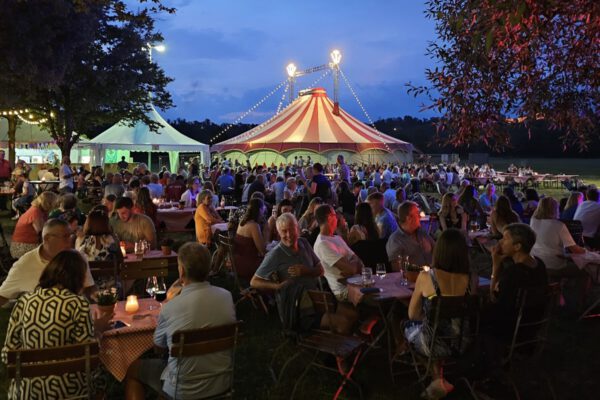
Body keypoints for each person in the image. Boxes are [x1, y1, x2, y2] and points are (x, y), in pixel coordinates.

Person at [125, 242, 236, 399]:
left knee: (132, 369)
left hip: (182, 390)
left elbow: (159, 347)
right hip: (221, 383)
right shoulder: (226, 297)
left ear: (181, 270)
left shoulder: (171, 307)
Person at [2, 250, 111, 399]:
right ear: (78, 277)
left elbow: (7, 353)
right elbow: (88, 355)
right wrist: (98, 330)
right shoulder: (78, 304)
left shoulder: (24, 301)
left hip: (26, 391)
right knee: (103, 376)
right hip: (68, 390)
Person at [251, 213, 356, 335]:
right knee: (343, 322)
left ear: (297, 229)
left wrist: (306, 271)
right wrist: (278, 286)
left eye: (291, 230)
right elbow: (254, 281)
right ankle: (337, 352)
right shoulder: (276, 254)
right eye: (284, 231)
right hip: (301, 312)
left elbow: (320, 270)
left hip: (319, 301)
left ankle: (344, 347)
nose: (289, 235)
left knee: (353, 314)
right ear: (278, 233)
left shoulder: (303, 243)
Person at [404, 229, 473, 399]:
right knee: (438, 328)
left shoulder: (427, 277)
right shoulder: (472, 279)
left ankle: (435, 378)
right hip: (462, 341)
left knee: (408, 325)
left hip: (431, 342)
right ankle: (439, 378)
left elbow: (412, 314)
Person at [0, 219, 96, 307]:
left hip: (75, 318)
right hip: (41, 322)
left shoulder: (77, 257)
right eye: (65, 236)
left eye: (71, 235)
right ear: (47, 238)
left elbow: (89, 288)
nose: (70, 240)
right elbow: (3, 295)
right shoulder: (24, 265)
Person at [488, 223, 548, 343]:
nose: (500, 242)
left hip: (511, 328)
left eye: (505, 239)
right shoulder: (539, 264)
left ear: (517, 247)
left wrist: (496, 266)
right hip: (534, 323)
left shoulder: (513, 273)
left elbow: (493, 298)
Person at [313, 205, 364, 301]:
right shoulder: (322, 244)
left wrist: (352, 266)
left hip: (358, 283)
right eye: (335, 215)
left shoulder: (337, 238)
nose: (337, 218)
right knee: (379, 299)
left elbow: (359, 261)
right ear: (329, 218)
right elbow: (352, 268)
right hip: (344, 291)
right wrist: (353, 265)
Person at [9, 191, 59, 258]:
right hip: (22, 246)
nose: (55, 207)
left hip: (26, 243)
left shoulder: (41, 210)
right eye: (54, 204)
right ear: (48, 204)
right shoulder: (35, 212)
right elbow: (41, 232)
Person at [386, 201, 435, 269]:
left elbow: (437, 250)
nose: (420, 216)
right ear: (409, 218)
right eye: (417, 214)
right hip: (413, 277)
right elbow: (396, 268)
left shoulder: (422, 233)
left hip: (433, 275)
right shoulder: (395, 240)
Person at [234, 198, 266, 281]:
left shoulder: (242, 222)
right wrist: (267, 231)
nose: (264, 212)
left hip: (237, 263)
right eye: (263, 209)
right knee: (272, 262)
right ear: (259, 210)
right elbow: (262, 250)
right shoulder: (254, 226)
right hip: (248, 265)